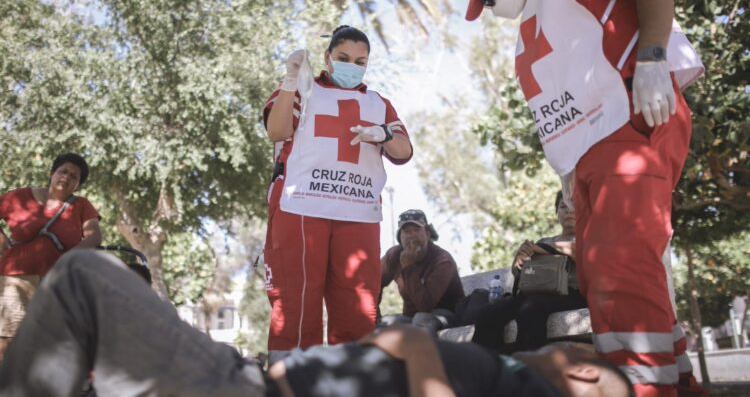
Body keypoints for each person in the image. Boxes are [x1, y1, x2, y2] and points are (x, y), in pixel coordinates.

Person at [457, 0, 706, 395]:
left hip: (628, 123)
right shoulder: (539, 8)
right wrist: (571, 170)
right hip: (592, 152)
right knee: (604, 276)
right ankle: (677, 380)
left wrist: (651, 56)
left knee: (622, 266)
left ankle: (644, 387)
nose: (495, 8)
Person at [0, 249, 635, 397]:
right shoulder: (495, 370)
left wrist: (421, 360)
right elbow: (393, 338)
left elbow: (407, 344)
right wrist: (414, 352)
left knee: (85, 276)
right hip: (257, 378)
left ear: (579, 374)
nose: (579, 353)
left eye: (597, 375)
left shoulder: (511, 389)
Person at [262, 25, 413, 359]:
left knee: (357, 308)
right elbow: (277, 130)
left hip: (355, 213)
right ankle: (293, 383)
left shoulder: (378, 104)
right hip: (301, 208)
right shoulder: (305, 90)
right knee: (296, 305)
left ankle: (354, 382)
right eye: (343, 58)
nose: (352, 66)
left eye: (360, 61)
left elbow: (403, 150)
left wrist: (384, 134)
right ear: (328, 58)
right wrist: (289, 81)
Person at [0, 152, 101, 362]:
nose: (66, 177)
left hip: (58, 283)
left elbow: (94, 237)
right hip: (17, 279)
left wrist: (68, 259)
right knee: (8, 343)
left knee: (51, 346)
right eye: (63, 171)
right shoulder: (18, 197)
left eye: (74, 176)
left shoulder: (82, 205)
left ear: (78, 185)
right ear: (51, 173)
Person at [472, 191, 587, 352]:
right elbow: (519, 273)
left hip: (572, 294)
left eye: (574, 205)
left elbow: (579, 252)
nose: (568, 210)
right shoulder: (544, 241)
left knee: (530, 309)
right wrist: (520, 259)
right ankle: (490, 367)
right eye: (563, 206)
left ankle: (529, 367)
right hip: (536, 292)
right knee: (488, 313)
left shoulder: (589, 237)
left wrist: (541, 249)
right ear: (556, 212)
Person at [378, 209, 465, 334]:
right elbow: (373, 283)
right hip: (411, 318)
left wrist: (408, 267)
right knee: (383, 324)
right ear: (400, 237)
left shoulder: (443, 260)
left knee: (421, 319)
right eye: (406, 231)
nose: (411, 235)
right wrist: (374, 315)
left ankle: (423, 353)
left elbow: (425, 306)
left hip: (445, 315)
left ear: (428, 234)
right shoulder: (394, 255)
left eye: (417, 230)